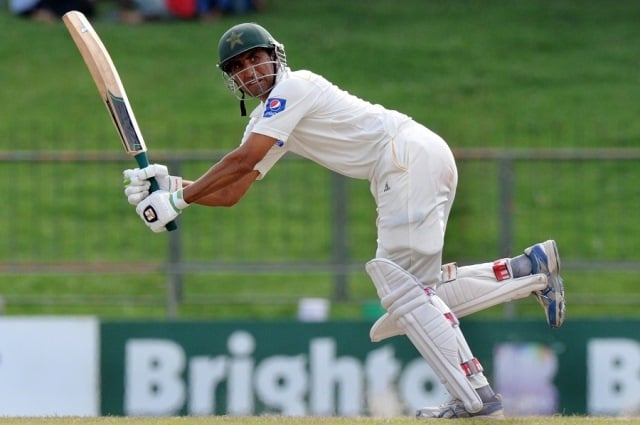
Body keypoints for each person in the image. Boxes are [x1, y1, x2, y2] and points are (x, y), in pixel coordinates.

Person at [122, 23, 565, 419]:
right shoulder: (269, 118)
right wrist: (172, 185)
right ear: (231, 79)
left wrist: (177, 199)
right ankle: (530, 269)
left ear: (275, 56)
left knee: (403, 290)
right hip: (414, 160)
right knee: (417, 294)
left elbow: (245, 158)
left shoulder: (296, 89)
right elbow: (235, 188)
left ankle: (475, 398)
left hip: (404, 159)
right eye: (238, 66)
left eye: (255, 58)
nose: (250, 70)